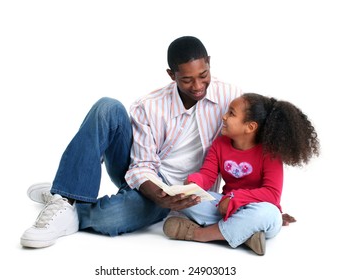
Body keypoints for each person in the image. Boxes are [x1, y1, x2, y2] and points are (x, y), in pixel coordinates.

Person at [20, 36, 244, 248]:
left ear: (210, 63)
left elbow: (248, 145)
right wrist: (158, 194)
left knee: (110, 219)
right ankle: (65, 201)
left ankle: (64, 196)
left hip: (193, 191)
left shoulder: (230, 96)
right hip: (150, 180)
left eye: (203, 74)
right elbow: (141, 165)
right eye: (187, 79)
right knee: (107, 107)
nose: (197, 86)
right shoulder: (149, 106)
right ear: (171, 74)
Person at [163, 93, 320, 255]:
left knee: (269, 214)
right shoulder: (220, 144)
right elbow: (207, 175)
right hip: (224, 206)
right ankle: (246, 235)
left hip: (255, 207)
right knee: (190, 202)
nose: (224, 117)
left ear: (250, 127)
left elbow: (272, 194)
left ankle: (199, 234)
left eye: (231, 113)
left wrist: (234, 199)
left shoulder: (269, 153)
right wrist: (194, 182)